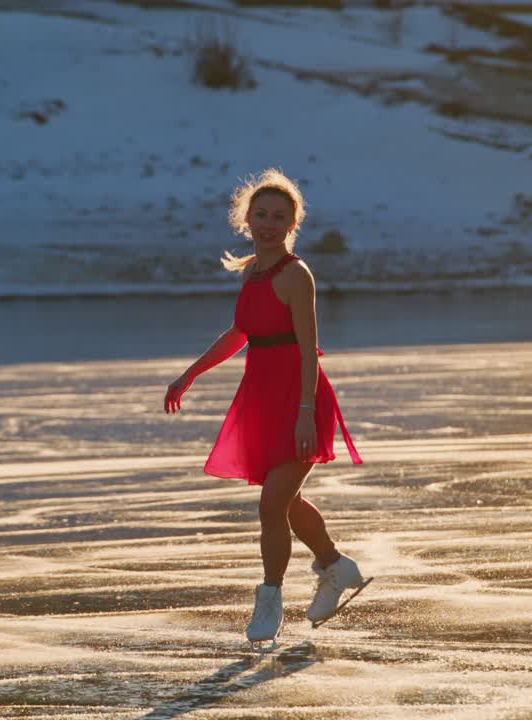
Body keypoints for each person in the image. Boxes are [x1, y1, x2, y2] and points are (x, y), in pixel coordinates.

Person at [164, 168, 366, 646]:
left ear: (293, 223)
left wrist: (304, 411)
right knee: (286, 501)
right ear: (246, 219)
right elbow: (241, 332)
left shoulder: (297, 275)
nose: (269, 224)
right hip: (261, 398)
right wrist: (191, 373)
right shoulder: (253, 270)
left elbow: (308, 348)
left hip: (300, 399)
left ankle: (270, 599)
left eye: (279, 217)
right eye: (261, 215)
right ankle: (335, 566)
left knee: (272, 503)